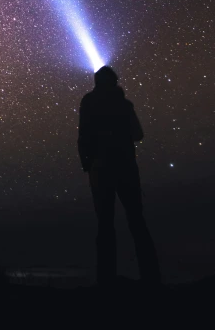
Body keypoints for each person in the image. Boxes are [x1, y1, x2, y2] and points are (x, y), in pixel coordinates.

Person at [78, 66, 160, 286]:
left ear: (96, 82)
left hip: (100, 168)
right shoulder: (124, 105)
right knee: (136, 220)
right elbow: (138, 134)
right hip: (125, 167)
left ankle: (106, 280)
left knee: (105, 224)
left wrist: (87, 162)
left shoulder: (89, 101)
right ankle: (151, 277)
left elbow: (83, 134)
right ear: (114, 82)